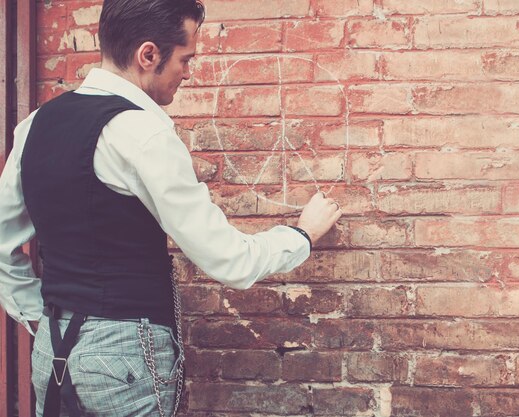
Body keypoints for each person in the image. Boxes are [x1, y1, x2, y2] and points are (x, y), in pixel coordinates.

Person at [0, 0, 342, 415]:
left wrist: (39, 317)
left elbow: (2, 244)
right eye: (186, 58)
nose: (188, 71)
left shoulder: (35, 125)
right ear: (148, 55)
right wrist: (301, 236)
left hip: (51, 350)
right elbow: (227, 260)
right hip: (124, 356)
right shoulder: (142, 132)